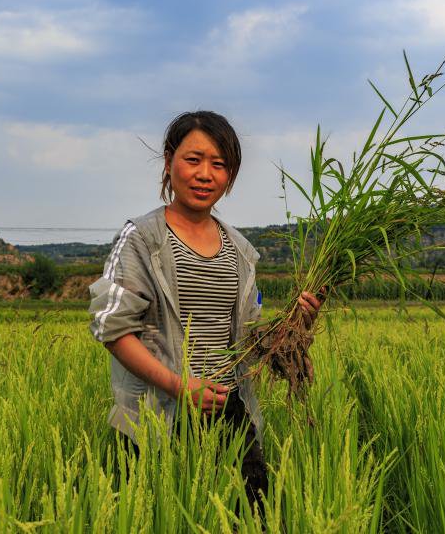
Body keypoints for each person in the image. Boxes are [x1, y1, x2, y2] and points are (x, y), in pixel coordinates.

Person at [87, 110, 322, 509]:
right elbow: (112, 328)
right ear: (169, 162)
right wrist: (181, 386)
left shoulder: (241, 251)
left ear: (230, 175)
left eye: (219, 164)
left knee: (252, 518)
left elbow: (248, 338)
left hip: (231, 413)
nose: (205, 174)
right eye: (193, 159)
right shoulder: (143, 239)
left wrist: (295, 323)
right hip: (157, 419)